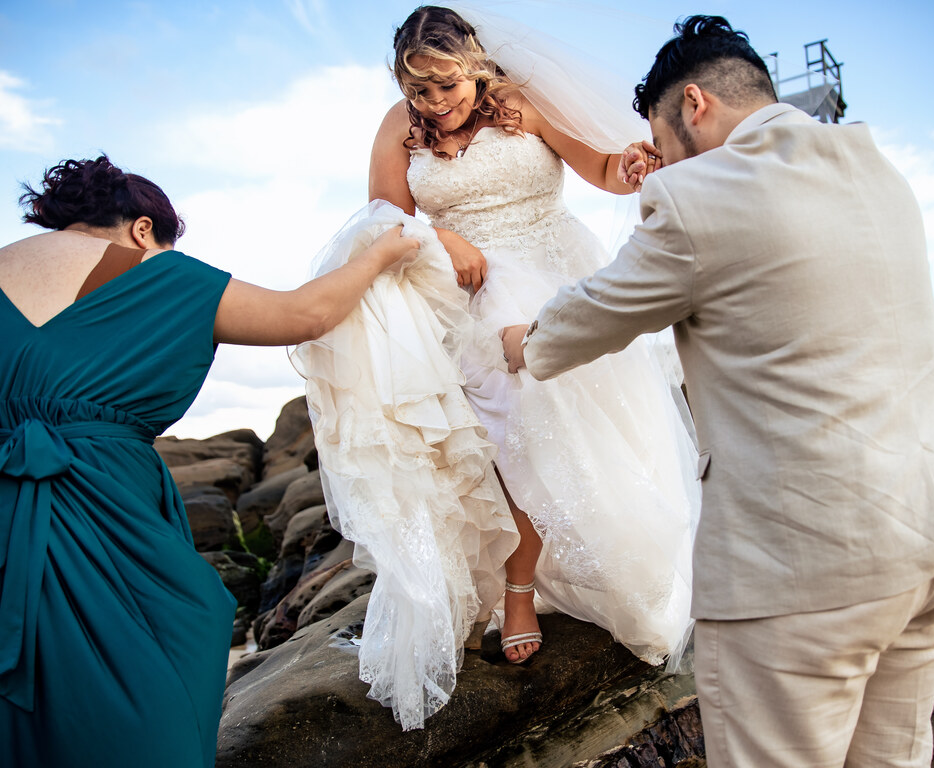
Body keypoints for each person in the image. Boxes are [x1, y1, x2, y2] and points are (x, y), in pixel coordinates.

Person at [502, 15, 934, 768]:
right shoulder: (875, 169)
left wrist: (523, 340)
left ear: (695, 104)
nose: (663, 168)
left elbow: (586, 322)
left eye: (662, 147)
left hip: (806, 576)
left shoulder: (701, 196)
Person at [0, 155, 416, 767]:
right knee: (138, 713)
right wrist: (384, 254)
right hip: (99, 510)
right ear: (143, 229)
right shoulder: (161, 271)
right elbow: (307, 314)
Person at [292, 3, 700, 731]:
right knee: (500, 445)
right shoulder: (398, 124)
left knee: (567, 436)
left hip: (553, 274)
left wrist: (630, 165)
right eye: (419, 91)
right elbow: (384, 215)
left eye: (445, 86)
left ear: (473, 69)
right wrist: (441, 234)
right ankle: (513, 585)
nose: (434, 105)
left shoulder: (522, 99)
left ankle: (539, 580)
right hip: (461, 295)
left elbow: (602, 169)